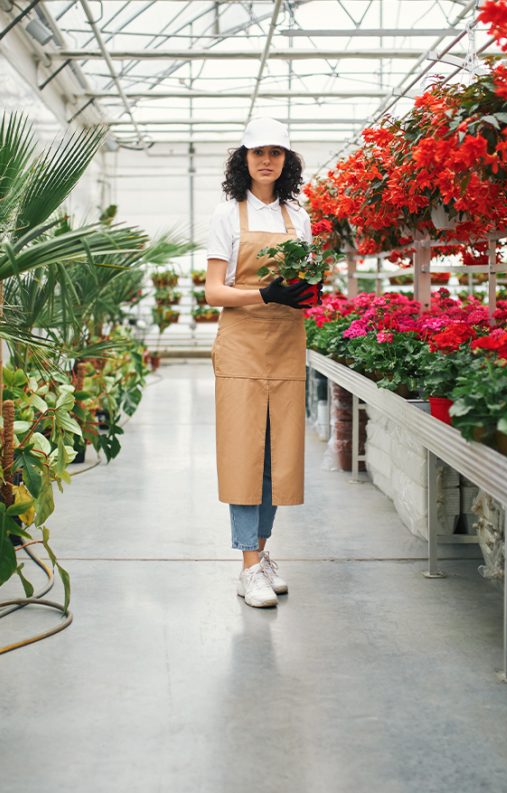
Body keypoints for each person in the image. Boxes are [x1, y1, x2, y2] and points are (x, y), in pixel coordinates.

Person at [204, 117, 315, 608]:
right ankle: (248, 567)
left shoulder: (300, 217)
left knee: (277, 453)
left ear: (287, 161)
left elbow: (306, 282)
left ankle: (261, 557)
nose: (266, 159)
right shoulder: (228, 215)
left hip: (287, 342)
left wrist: (303, 293)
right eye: (257, 152)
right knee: (243, 452)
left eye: (276, 152)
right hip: (242, 344)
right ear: (243, 159)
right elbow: (213, 292)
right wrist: (266, 293)